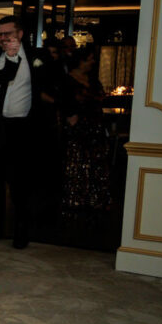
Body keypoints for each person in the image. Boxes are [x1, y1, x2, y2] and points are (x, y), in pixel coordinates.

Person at [0, 16, 52, 249]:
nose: (2, 38)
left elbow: (52, 85)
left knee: (20, 182)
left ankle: (21, 229)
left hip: (22, 128)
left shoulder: (37, 57)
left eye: (7, 33)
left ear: (19, 34)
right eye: (0, 34)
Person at [59, 47, 111, 213]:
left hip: (95, 123)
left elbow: (101, 97)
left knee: (96, 160)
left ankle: (95, 198)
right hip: (78, 125)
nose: (93, 62)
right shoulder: (68, 80)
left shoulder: (93, 79)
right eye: (90, 59)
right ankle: (76, 197)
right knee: (78, 160)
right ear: (81, 61)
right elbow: (63, 103)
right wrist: (71, 117)